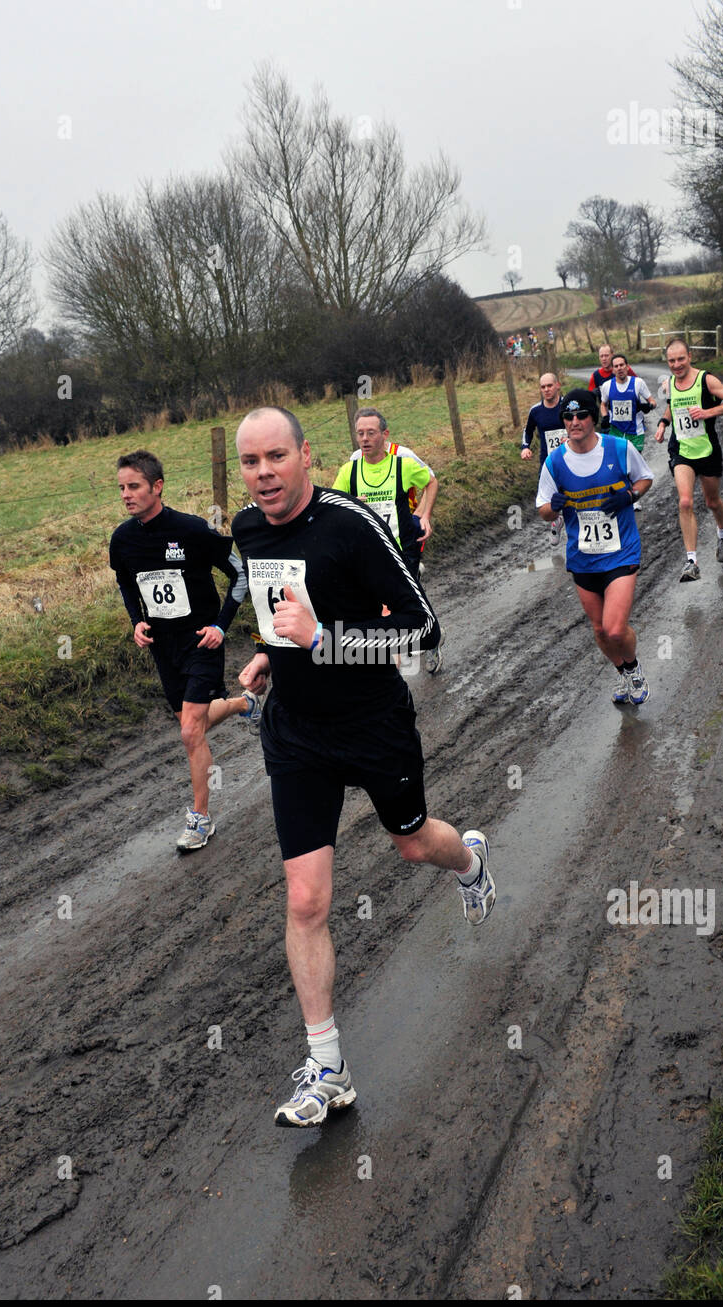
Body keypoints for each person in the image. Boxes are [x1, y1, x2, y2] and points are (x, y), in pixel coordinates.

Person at [232, 406, 496, 1127]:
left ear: (306, 456)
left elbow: (422, 628)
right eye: (251, 462)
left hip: (373, 723)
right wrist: (269, 653)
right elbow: (274, 609)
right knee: (306, 900)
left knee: (412, 844)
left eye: (276, 457)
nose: (264, 474)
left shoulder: (350, 523)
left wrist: (323, 639)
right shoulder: (247, 529)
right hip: (297, 734)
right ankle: (328, 1066)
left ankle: (469, 862)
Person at [109, 449, 256, 851]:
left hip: (200, 641)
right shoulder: (122, 538)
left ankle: (200, 819)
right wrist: (135, 620)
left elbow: (240, 572)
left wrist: (221, 626)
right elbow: (126, 582)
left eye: (134, 486)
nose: (126, 494)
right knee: (196, 723)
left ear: (157, 487)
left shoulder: (192, 530)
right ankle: (246, 705)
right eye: (122, 487)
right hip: (163, 645)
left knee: (190, 730)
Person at [536, 388, 654, 705]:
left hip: (621, 552)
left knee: (615, 630)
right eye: (568, 416)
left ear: (594, 417)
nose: (574, 422)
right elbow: (543, 508)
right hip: (583, 558)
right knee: (600, 631)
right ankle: (625, 674)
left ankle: (635, 670)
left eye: (581, 415)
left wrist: (630, 496)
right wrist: (555, 507)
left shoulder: (619, 448)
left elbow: (645, 478)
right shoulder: (555, 462)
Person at [333, 407, 444, 673]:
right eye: (360, 433)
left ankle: (428, 642)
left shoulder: (402, 463)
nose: (364, 439)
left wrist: (424, 514)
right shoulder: (350, 469)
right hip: (369, 548)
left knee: (403, 599)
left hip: (404, 545)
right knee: (382, 601)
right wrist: (349, 504)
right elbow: (332, 507)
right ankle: (393, 658)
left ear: (384, 435)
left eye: (370, 433)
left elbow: (431, 481)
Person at [654, 338, 723, 581]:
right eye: (671, 361)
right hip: (681, 451)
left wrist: (708, 412)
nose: (676, 365)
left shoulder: (706, 380)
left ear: (690, 356)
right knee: (685, 502)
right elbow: (672, 407)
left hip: (707, 450)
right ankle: (691, 562)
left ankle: (722, 531)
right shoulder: (670, 384)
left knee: (712, 502)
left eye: (681, 359)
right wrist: (664, 424)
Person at [599, 352, 656, 511]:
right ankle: (621, 492)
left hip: (635, 430)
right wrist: (604, 417)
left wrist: (648, 406)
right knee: (617, 462)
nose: (619, 368)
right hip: (616, 430)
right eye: (616, 366)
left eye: (622, 365)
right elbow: (603, 404)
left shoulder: (638, 383)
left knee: (634, 462)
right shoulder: (607, 386)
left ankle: (634, 496)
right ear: (612, 370)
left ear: (627, 366)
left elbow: (653, 401)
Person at [521, 371, 567, 544]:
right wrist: (525, 447)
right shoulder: (536, 411)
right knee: (546, 501)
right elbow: (527, 431)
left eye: (549, 385)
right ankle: (556, 521)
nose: (546, 390)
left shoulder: (568, 406)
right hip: (548, 463)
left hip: (571, 460)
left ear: (557, 385)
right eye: (543, 387)